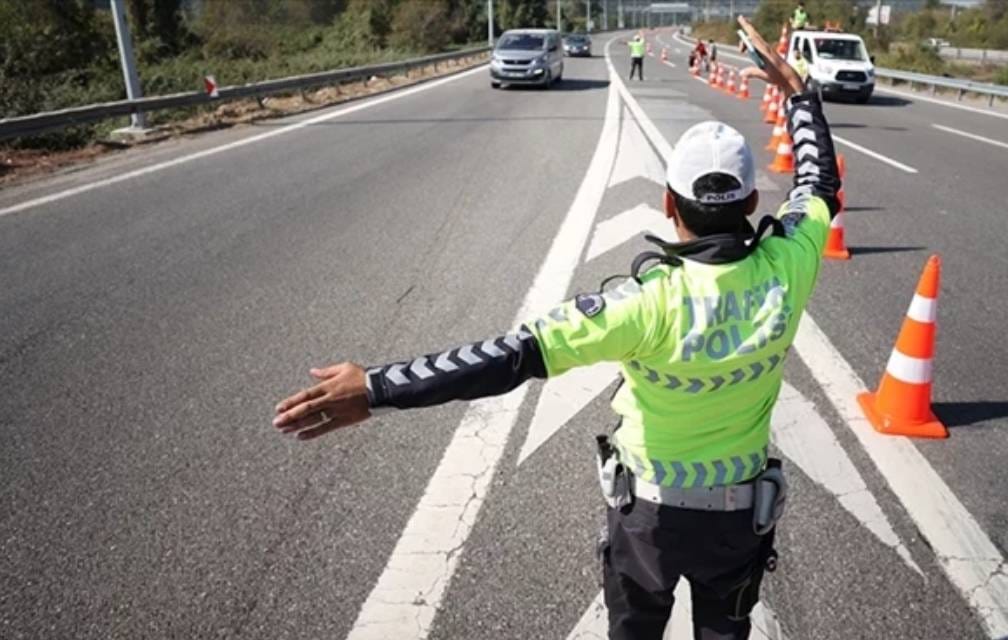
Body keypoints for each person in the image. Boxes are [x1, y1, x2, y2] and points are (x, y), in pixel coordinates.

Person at [271, 15, 840, 640]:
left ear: (668, 204)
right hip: (738, 521)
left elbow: (508, 358)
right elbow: (818, 182)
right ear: (753, 204)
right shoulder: (791, 264)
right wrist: (798, 93)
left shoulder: (641, 305)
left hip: (648, 521)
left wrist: (377, 387)